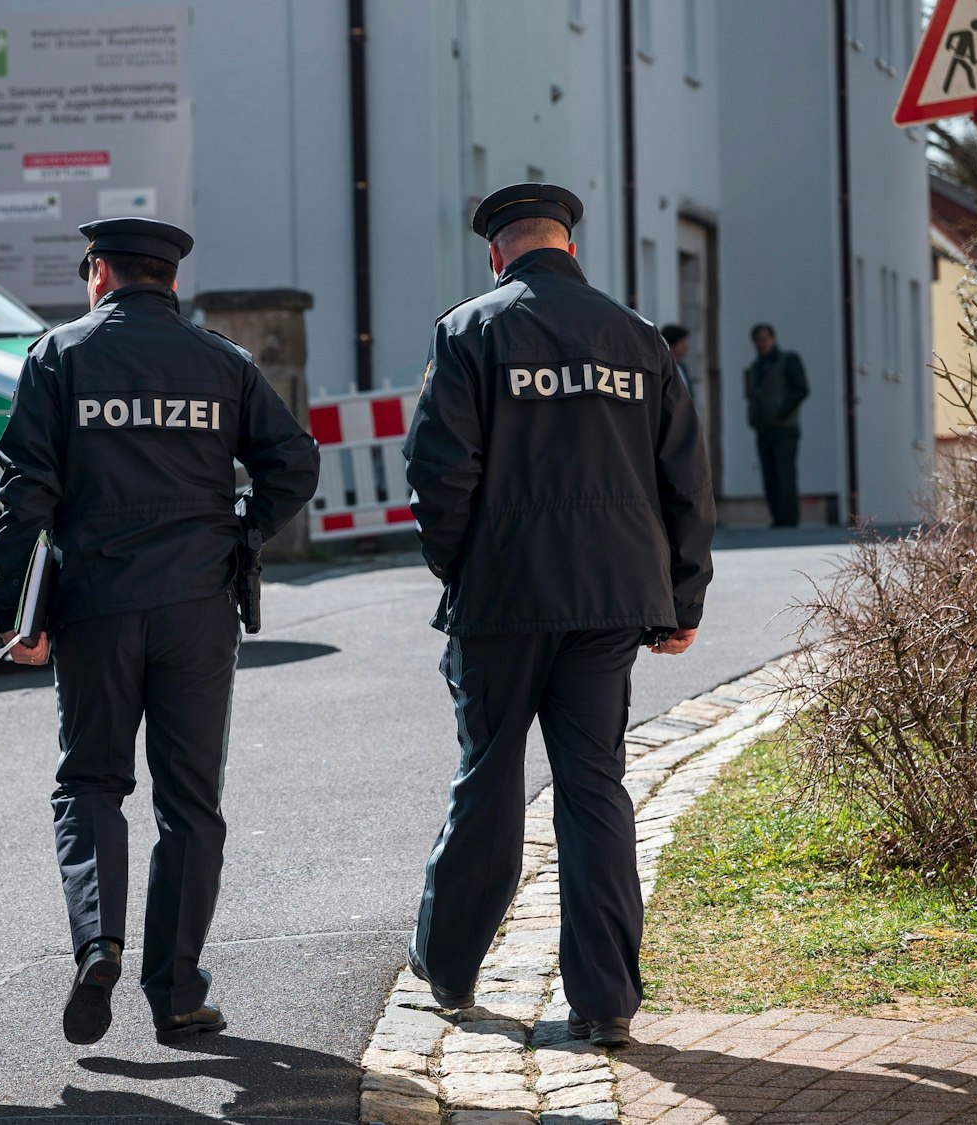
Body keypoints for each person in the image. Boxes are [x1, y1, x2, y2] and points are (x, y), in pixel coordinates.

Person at [0, 217, 319, 1048]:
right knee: (190, 803)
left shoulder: (59, 355)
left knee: (92, 782)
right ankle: (176, 993)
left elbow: (25, 493)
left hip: (95, 603)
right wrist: (240, 532)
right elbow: (295, 461)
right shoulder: (223, 362)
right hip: (198, 607)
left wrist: (18, 617)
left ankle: (98, 938)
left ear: (97, 273)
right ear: (171, 281)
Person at [402, 183, 714, 1050]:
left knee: (489, 781)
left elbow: (436, 477)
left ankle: (452, 968)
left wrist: (461, 570)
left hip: (502, 602)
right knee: (593, 789)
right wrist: (680, 597)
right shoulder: (640, 339)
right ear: (569, 246)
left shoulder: (470, 330)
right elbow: (686, 479)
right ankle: (606, 999)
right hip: (611, 602)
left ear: (496, 254)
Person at [743, 322, 808, 528]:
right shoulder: (756, 367)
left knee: (784, 472)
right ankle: (778, 516)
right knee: (769, 473)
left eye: (764, 339)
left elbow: (801, 389)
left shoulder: (788, 360)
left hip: (785, 428)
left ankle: (789, 518)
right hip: (763, 427)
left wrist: (781, 409)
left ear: (773, 339)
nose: (761, 344)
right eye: (757, 340)